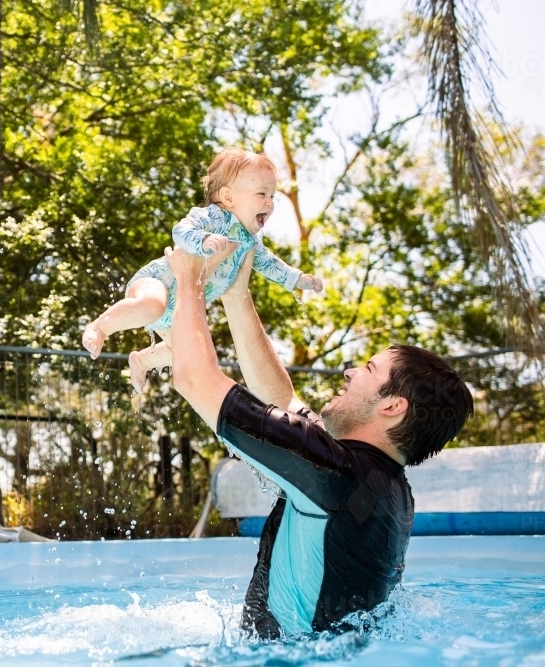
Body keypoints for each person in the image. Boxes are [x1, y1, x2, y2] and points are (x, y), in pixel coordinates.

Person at [163, 244, 473, 638]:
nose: (348, 371)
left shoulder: (336, 473)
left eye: (368, 368)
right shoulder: (384, 483)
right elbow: (284, 402)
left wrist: (189, 277)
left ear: (393, 406)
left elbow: (194, 380)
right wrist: (236, 295)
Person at [81, 148, 323, 393]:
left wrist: (298, 279)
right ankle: (99, 328)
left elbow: (270, 264)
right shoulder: (215, 217)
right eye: (262, 194)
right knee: (152, 305)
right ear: (228, 198)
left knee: (188, 354)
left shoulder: (249, 241)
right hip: (157, 283)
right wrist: (203, 240)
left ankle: (142, 360)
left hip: (179, 306)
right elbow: (181, 230)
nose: (270, 203)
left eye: (272, 195)